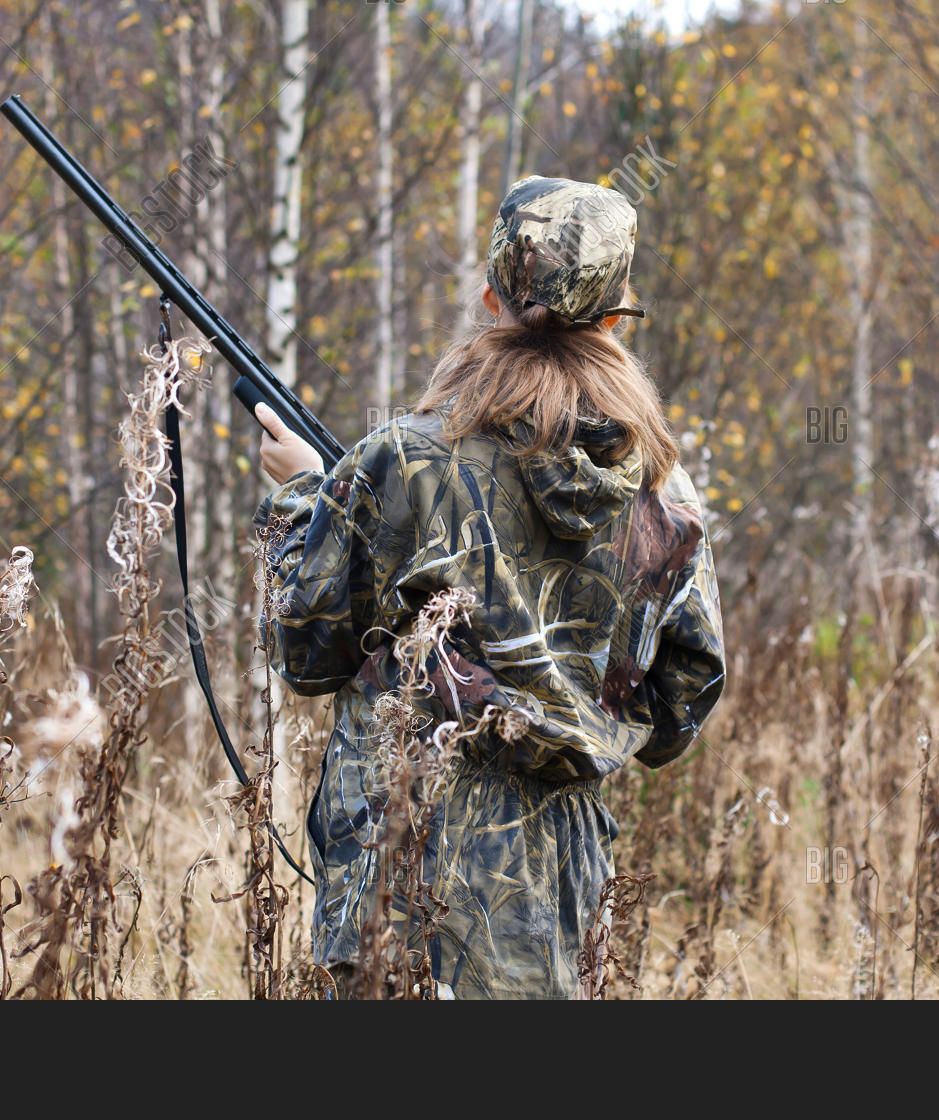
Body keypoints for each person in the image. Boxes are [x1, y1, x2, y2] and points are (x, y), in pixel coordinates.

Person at [252, 175, 725, 999]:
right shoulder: (665, 495)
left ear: (489, 299)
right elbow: (685, 696)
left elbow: (304, 648)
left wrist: (302, 496)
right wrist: (579, 710)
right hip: (564, 890)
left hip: (405, 872)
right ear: (615, 321)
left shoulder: (405, 461)